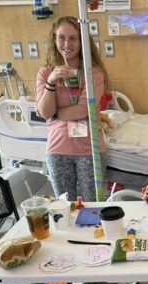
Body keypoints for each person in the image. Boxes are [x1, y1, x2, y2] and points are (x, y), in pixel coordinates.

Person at [36, 16, 110, 202]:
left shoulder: (93, 73)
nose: (66, 44)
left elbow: (83, 110)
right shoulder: (46, 73)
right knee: (64, 207)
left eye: (72, 38)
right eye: (61, 37)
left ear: (82, 41)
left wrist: (56, 113)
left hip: (89, 149)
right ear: (54, 39)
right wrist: (51, 83)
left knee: (93, 206)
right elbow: (44, 112)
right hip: (57, 149)